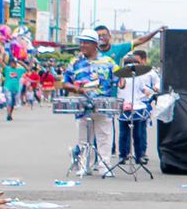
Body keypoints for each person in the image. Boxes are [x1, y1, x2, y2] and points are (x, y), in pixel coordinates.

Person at [61, 30, 119, 171]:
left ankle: (105, 167)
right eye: (81, 42)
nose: (82, 45)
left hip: (103, 105)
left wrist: (125, 78)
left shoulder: (108, 62)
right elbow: (65, 83)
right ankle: (85, 166)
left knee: (104, 137)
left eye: (86, 42)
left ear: (95, 44)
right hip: (83, 105)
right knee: (84, 138)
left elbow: (119, 78)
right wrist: (77, 89)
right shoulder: (75, 62)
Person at [115, 48, 160, 164]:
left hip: (138, 107)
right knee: (123, 134)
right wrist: (122, 76)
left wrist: (150, 93)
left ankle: (139, 155)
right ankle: (122, 155)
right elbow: (121, 86)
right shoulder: (121, 77)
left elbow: (143, 88)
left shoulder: (139, 77)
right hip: (125, 107)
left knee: (138, 134)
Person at [94, 23, 163, 67]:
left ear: (110, 36)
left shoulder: (119, 49)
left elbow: (140, 40)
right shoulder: (91, 52)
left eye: (104, 35)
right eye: (98, 36)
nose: (101, 38)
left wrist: (157, 30)